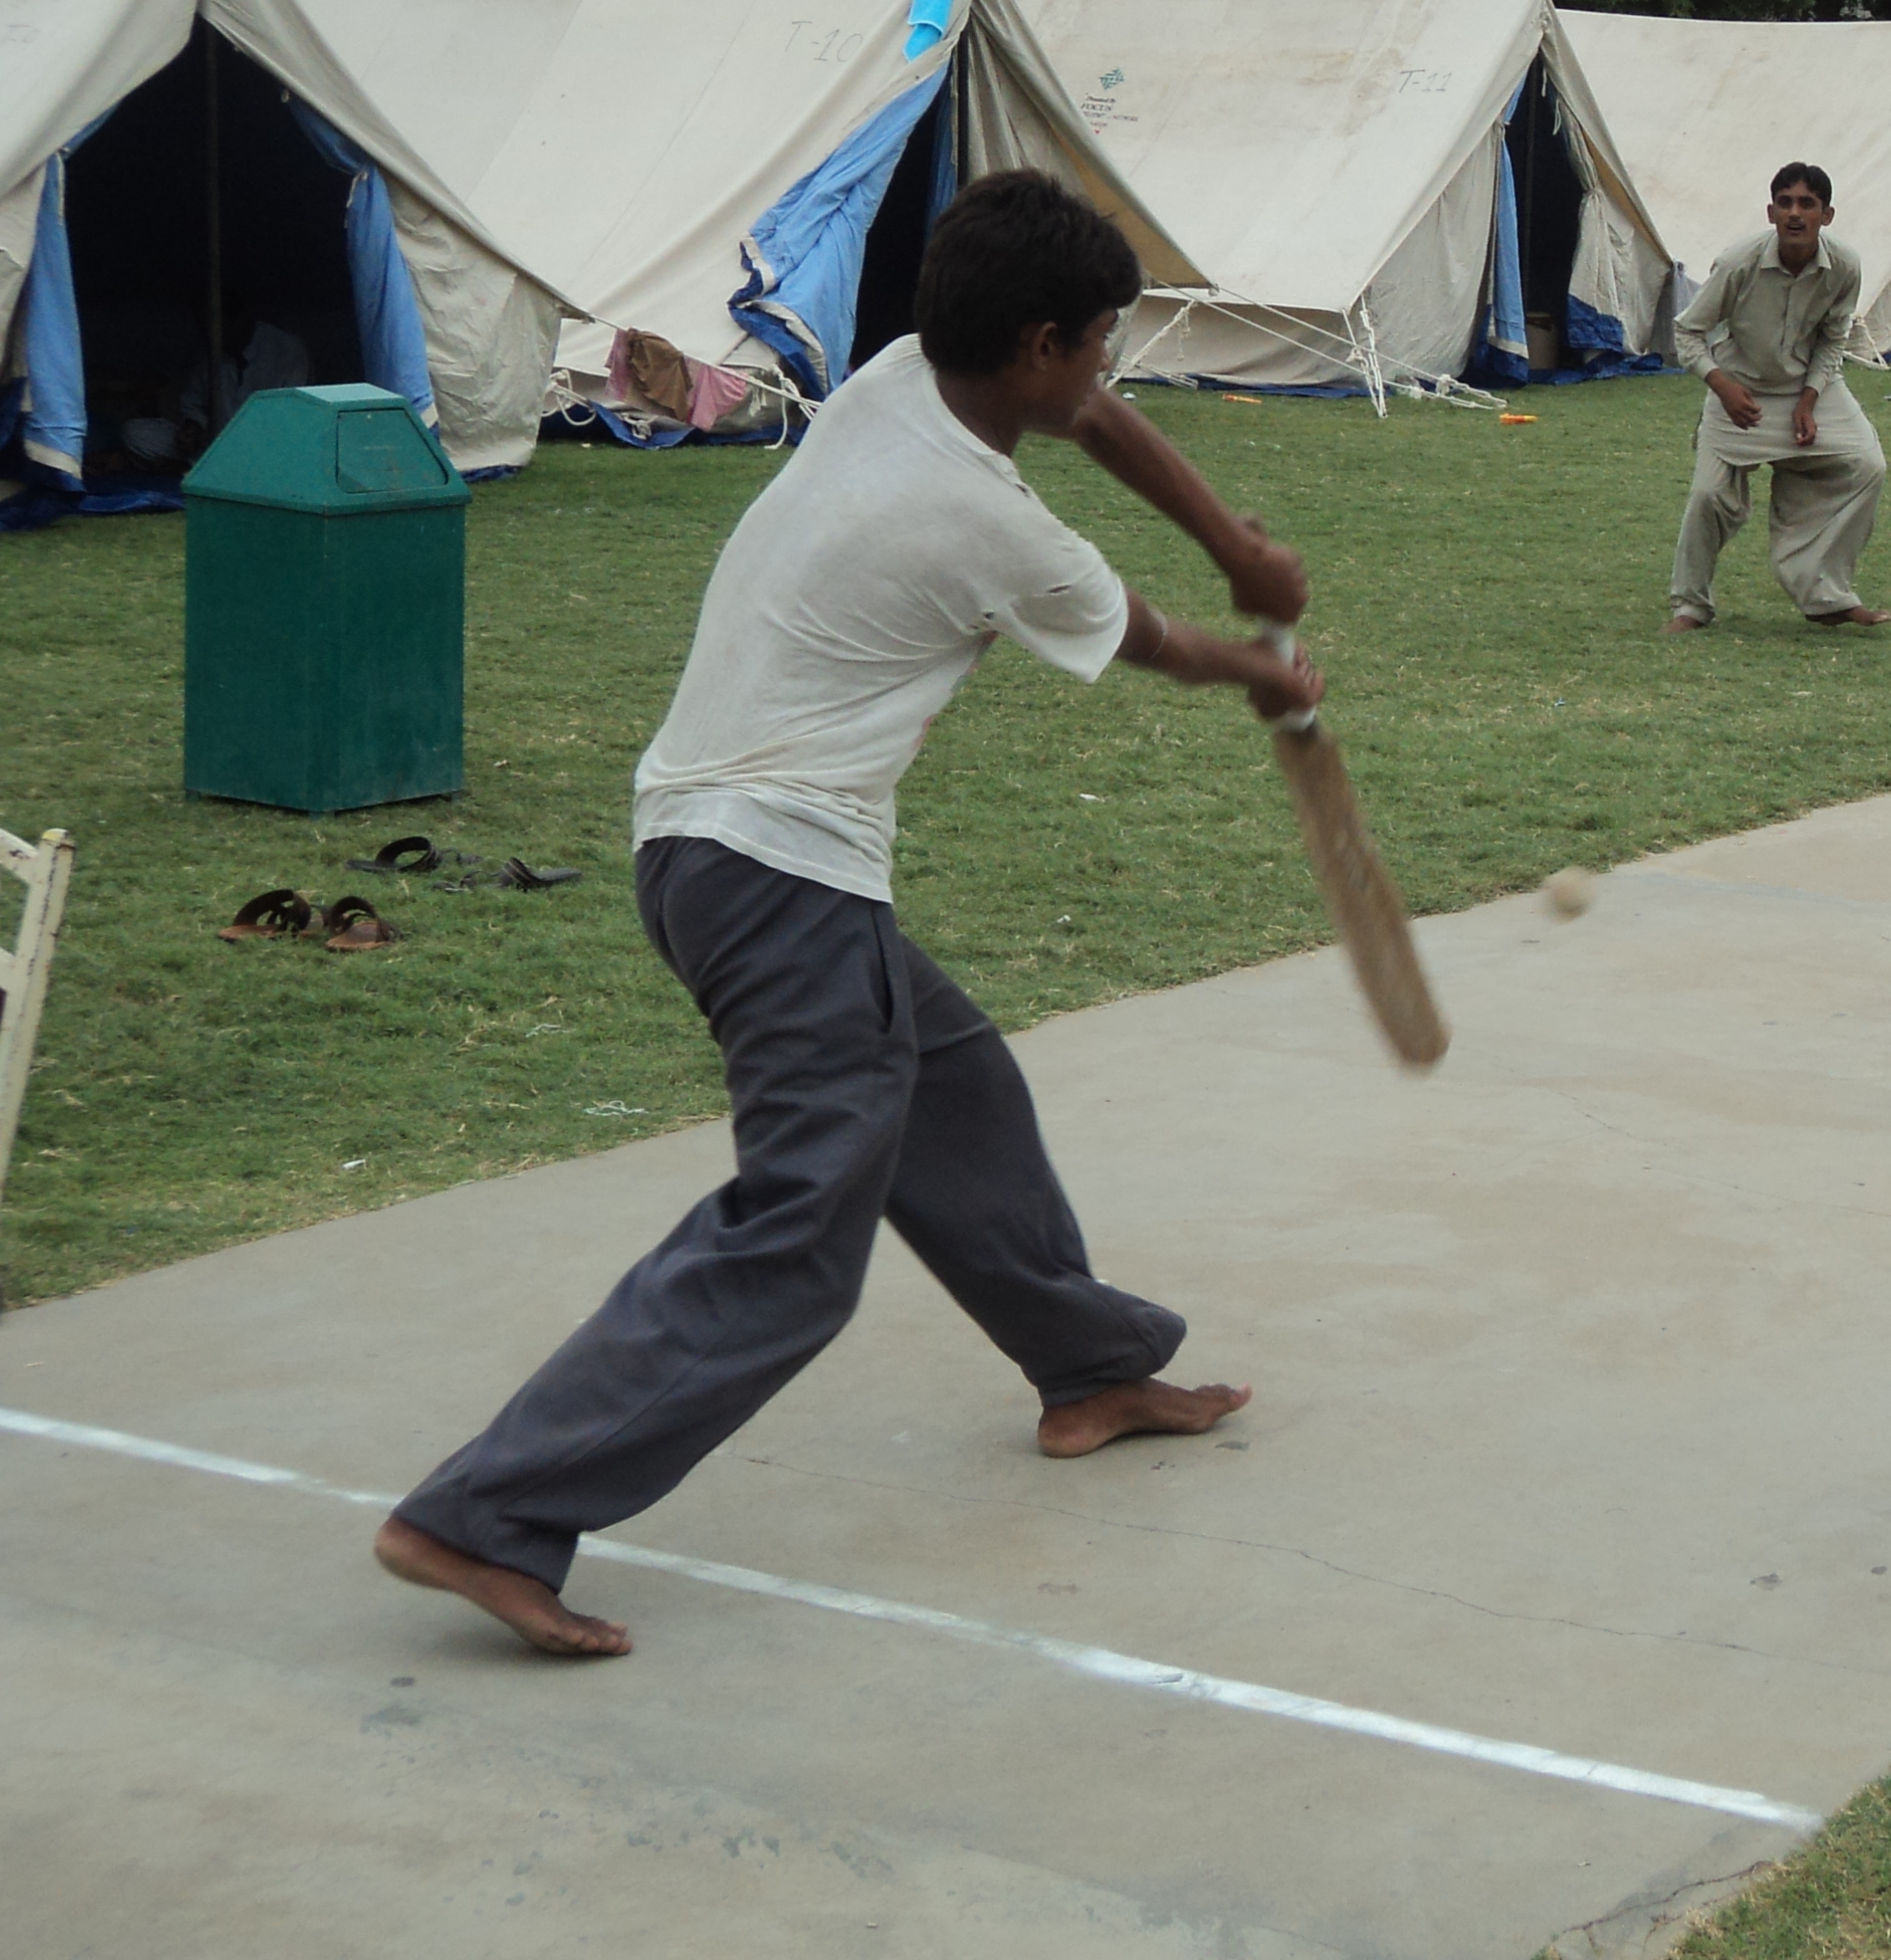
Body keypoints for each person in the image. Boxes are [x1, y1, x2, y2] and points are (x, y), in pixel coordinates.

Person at [374, 171, 1317, 1656]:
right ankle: (484, 1516)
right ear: (1035, 344)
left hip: (713, 847)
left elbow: (1101, 421)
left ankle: (1090, 1369)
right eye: (1098, 344)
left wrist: (1235, 545)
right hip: (777, 877)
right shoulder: (984, 523)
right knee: (798, 1233)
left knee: (955, 1093)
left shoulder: (902, 380)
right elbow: (1153, 643)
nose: (1108, 373)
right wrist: (1265, 662)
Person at [1664, 161, 1891, 634]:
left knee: (1867, 464)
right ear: (1770, 212)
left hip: (1806, 388)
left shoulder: (1845, 266)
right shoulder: (1738, 263)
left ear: (1826, 215)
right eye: (1785, 203)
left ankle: (1826, 594)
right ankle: (1690, 607)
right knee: (1708, 496)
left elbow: (1833, 339)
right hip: (1737, 388)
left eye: (1807, 204)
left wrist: (1809, 400)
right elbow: (1687, 332)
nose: (1795, 213)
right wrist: (1722, 386)